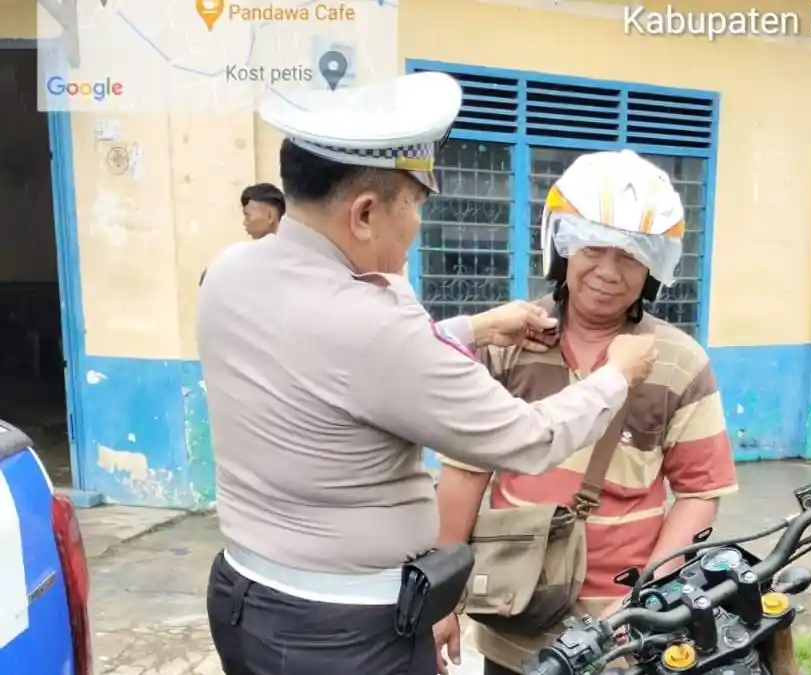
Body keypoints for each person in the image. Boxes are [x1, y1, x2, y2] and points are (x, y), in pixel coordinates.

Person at [197, 73, 658, 675]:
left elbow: (333, 375)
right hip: (343, 637)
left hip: (245, 596)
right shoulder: (372, 325)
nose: (417, 224)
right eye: (414, 205)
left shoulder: (231, 270)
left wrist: (476, 328)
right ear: (364, 213)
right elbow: (527, 438)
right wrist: (616, 375)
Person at [431, 150, 738, 675]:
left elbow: (698, 493)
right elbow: (464, 475)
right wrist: (442, 595)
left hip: (619, 628)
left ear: (653, 269)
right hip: (514, 612)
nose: (608, 271)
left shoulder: (679, 362)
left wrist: (647, 596)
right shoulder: (510, 342)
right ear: (562, 246)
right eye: (593, 248)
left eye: (630, 255)